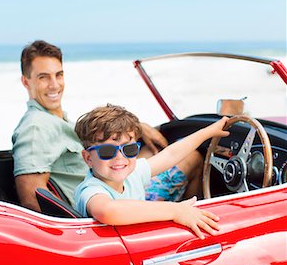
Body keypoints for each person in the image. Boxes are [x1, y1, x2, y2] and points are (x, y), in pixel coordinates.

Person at [12, 40, 203, 213]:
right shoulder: (36, 127)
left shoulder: (55, 120)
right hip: (101, 206)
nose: (54, 85)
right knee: (192, 157)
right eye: (43, 77)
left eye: (59, 75)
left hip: (110, 184)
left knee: (156, 150)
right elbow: (31, 199)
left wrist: (139, 126)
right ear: (25, 81)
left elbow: (96, 138)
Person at [74, 104, 229, 238]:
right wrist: (175, 210)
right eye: (107, 151)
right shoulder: (92, 190)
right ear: (88, 158)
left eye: (129, 149)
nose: (120, 158)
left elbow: (170, 154)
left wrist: (208, 132)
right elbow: (108, 211)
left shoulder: (131, 174)